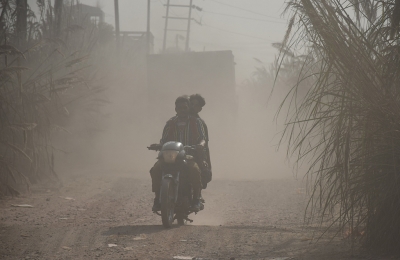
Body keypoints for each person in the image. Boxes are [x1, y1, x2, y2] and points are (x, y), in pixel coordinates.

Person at [150, 96, 206, 212]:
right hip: (170, 157)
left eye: (185, 107)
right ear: (176, 109)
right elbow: (164, 140)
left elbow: (202, 138)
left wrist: (200, 145)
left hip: (189, 156)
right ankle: (157, 198)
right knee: (156, 169)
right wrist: (158, 145)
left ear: (188, 108)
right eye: (180, 108)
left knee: (195, 170)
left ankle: (196, 198)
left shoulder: (196, 122)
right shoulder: (170, 123)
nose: (182, 110)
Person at [189, 94, 212, 188]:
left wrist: (205, 161)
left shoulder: (200, 123)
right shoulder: (176, 120)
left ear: (200, 109)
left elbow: (205, 144)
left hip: (194, 153)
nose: (192, 107)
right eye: (191, 104)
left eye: (196, 105)